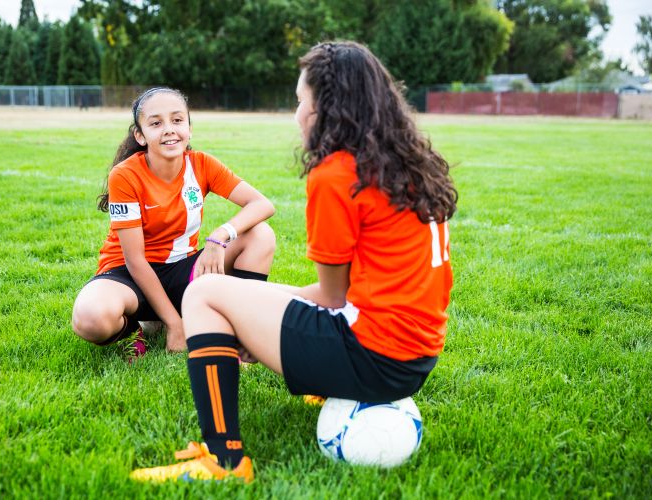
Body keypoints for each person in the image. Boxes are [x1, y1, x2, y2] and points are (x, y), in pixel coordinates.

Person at [129, 42, 457, 483]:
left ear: (326, 110)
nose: (296, 113)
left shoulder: (338, 172)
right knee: (235, 297)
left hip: (374, 357)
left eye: (300, 101)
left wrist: (247, 322)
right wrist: (252, 309)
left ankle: (223, 461)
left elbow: (331, 296)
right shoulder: (410, 161)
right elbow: (351, 292)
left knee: (204, 292)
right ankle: (323, 389)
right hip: (416, 357)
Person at [71, 87, 276, 359]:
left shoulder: (202, 164)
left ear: (189, 129)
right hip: (129, 274)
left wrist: (220, 236)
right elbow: (135, 260)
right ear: (140, 136)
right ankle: (139, 328)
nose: (169, 129)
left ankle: (242, 335)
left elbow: (262, 204)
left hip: (183, 269)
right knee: (90, 318)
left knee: (260, 235)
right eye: (156, 123)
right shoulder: (125, 175)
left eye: (177, 120)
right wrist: (174, 324)